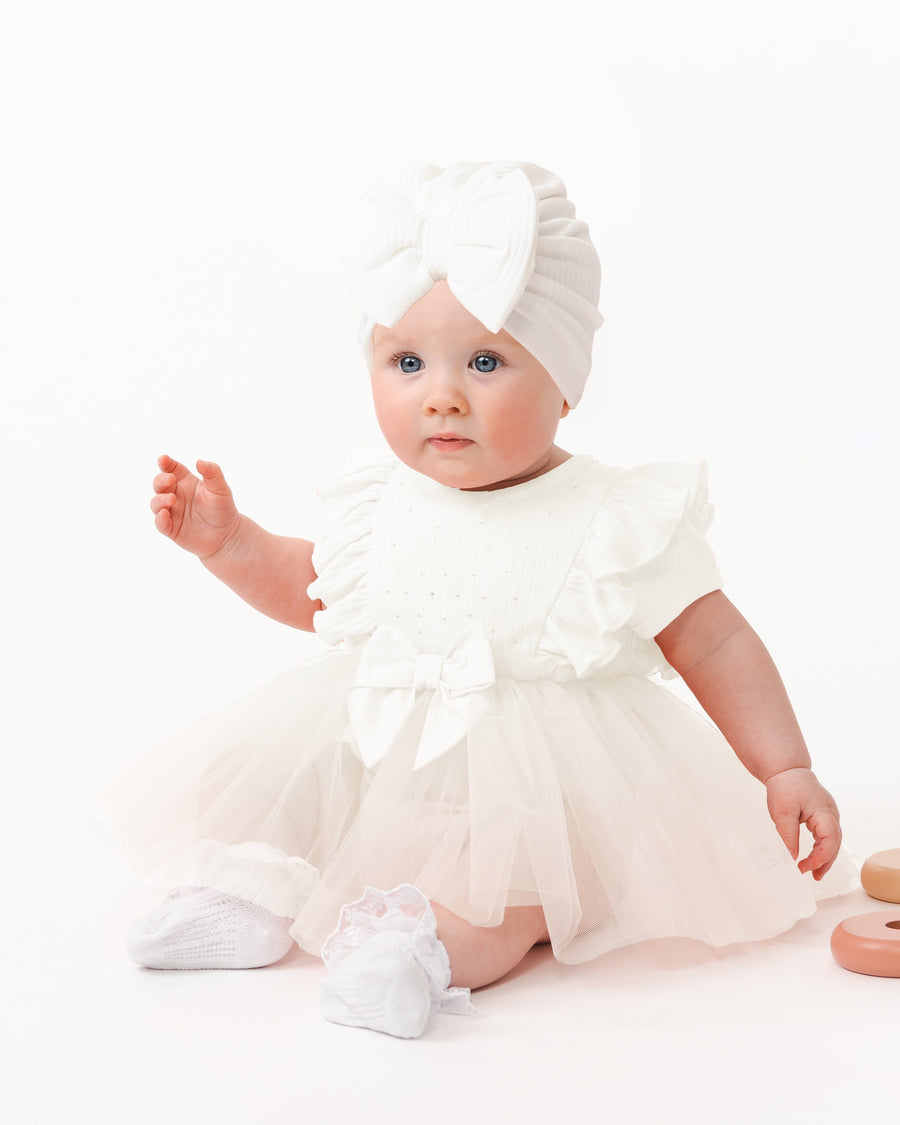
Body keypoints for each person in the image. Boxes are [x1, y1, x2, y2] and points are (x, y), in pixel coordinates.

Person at [110, 161, 855, 1039]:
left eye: (488, 360)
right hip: (386, 755)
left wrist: (783, 766)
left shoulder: (611, 518)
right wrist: (230, 544)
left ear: (568, 381)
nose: (442, 395)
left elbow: (716, 643)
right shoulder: (380, 501)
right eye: (408, 362)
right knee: (300, 791)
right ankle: (258, 891)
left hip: (543, 788)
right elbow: (315, 593)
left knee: (510, 881)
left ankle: (419, 948)